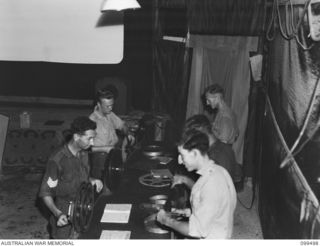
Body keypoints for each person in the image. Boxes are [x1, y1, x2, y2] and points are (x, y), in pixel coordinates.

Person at [156, 129, 237, 239]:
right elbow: (216, 208)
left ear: (195, 153)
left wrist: (166, 221)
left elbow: (197, 230)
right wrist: (189, 212)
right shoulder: (219, 170)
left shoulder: (211, 184)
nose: (180, 161)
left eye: (182, 155)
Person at [38, 116, 103, 239]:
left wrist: (92, 180)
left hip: (83, 206)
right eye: (89, 139)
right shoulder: (57, 159)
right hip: (64, 210)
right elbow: (45, 193)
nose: (92, 143)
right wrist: (57, 214)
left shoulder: (83, 153)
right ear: (76, 137)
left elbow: (82, 177)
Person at [89, 88, 134, 181]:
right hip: (100, 159)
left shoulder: (110, 114)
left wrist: (128, 133)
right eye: (107, 106)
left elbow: (122, 125)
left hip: (113, 154)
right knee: (103, 187)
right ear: (98, 104)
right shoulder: (92, 121)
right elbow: (87, 148)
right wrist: (105, 149)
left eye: (112, 105)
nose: (111, 108)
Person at [181, 114, 242, 183]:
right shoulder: (227, 148)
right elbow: (238, 176)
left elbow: (205, 191)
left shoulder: (212, 159)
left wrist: (185, 180)